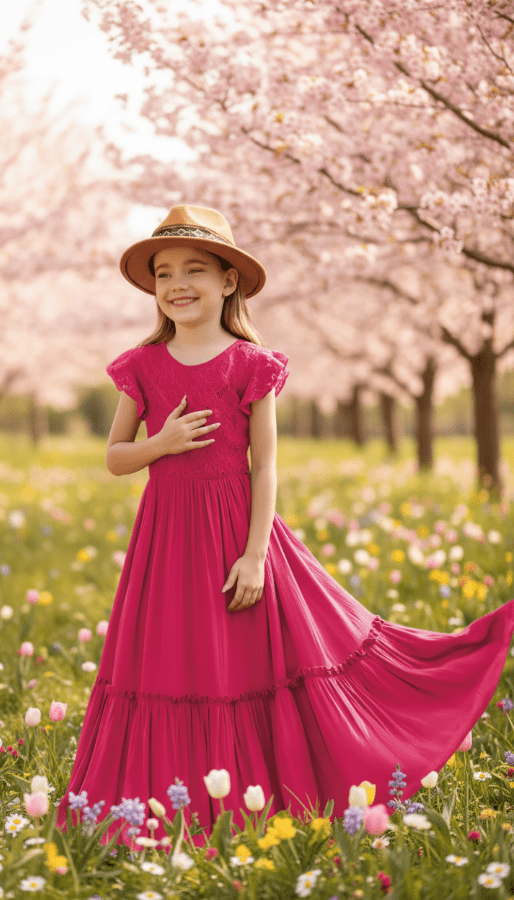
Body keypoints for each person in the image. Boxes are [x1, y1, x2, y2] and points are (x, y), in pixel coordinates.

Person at [57, 204, 514, 849]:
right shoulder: (143, 365)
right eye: (164, 273)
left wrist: (253, 555)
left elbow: (265, 467)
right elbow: (114, 458)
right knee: (166, 664)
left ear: (228, 282)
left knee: (247, 664)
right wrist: (161, 443)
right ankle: (165, 810)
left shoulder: (251, 363)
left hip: (237, 533)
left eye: (194, 269)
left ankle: (255, 800)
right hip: (166, 540)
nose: (177, 284)